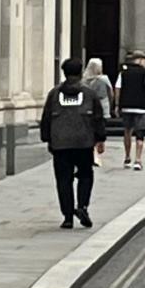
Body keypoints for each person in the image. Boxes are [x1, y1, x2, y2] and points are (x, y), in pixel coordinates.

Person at [38, 57, 107, 230]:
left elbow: (46, 118)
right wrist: (100, 139)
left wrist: (47, 138)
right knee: (85, 175)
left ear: (64, 73)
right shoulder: (89, 94)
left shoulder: (54, 94)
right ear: (80, 71)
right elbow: (97, 118)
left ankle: (68, 216)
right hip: (83, 142)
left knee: (63, 179)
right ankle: (82, 206)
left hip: (60, 144)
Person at [115, 55, 145, 171]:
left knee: (127, 131)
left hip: (126, 106)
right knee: (140, 133)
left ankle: (127, 157)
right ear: (140, 60)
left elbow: (117, 88)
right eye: (144, 60)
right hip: (141, 107)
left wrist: (117, 105)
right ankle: (138, 160)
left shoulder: (123, 73)